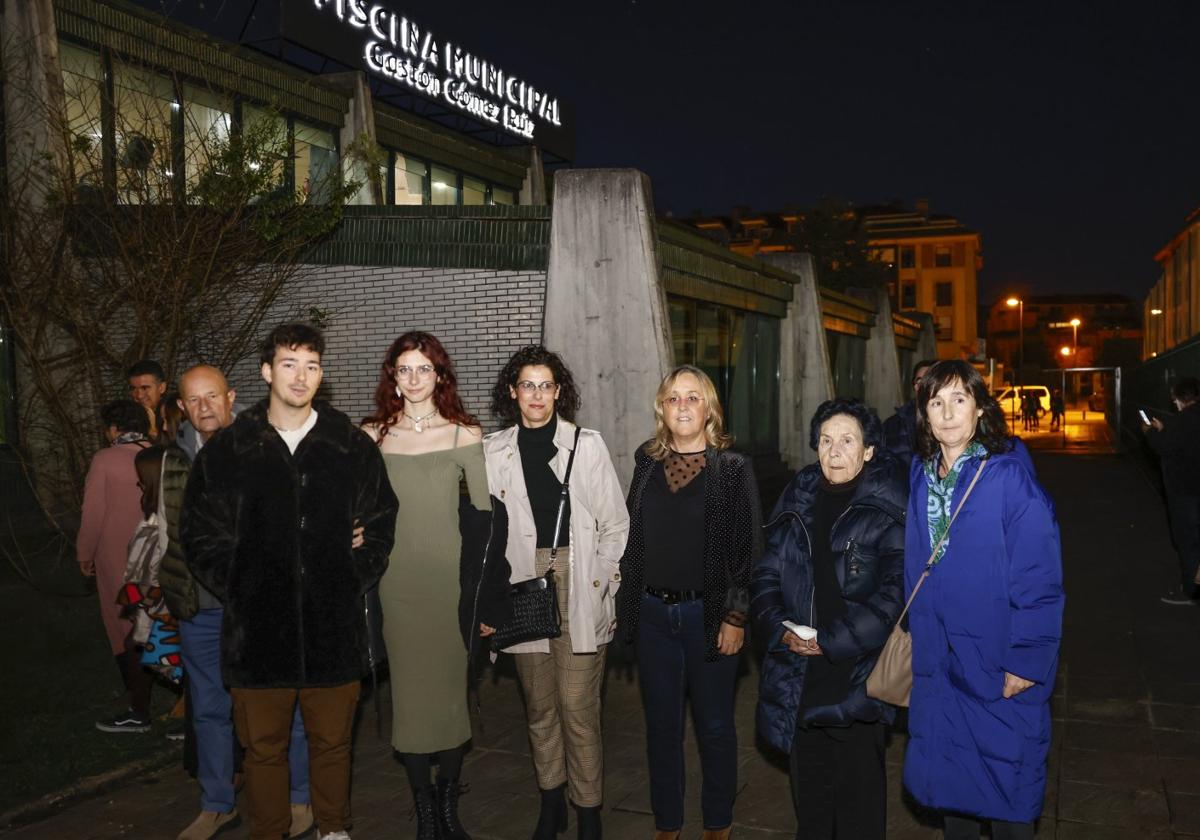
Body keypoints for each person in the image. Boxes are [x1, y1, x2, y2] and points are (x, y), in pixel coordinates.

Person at [182, 323, 398, 840]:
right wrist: (243, 581)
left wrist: (349, 574)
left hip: (332, 629)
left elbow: (382, 522)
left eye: (312, 366)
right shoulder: (229, 449)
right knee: (263, 750)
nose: (301, 377)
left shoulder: (349, 444)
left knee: (332, 744)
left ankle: (334, 829)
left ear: (321, 374)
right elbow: (199, 534)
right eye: (289, 364)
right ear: (265, 371)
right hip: (257, 633)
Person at [904, 360, 1063, 839]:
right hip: (939, 667)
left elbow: (1040, 580)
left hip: (997, 667)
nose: (948, 413)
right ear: (924, 415)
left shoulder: (1009, 479)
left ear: (979, 410)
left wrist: (1028, 662)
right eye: (936, 402)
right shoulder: (921, 475)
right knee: (954, 800)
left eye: (959, 400)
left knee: (1009, 799)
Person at [362, 332, 512, 840]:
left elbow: (487, 524)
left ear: (439, 376)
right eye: (404, 369)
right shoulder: (373, 436)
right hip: (396, 587)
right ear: (393, 379)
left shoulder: (464, 435)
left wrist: (488, 599)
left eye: (423, 368)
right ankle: (424, 811)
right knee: (409, 702)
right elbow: (354, 506)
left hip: (451, 587)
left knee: (450, 700)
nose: (414, 378)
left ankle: (449, 805)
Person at [160, 364, 316, 840]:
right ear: (182, 407)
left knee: (279, 705)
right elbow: (168, 529)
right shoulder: (171, 460)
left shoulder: (263, 449)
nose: (204, 407)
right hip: (200, 606)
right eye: (194, 400)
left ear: (230, 398)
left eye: (212, 397)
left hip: (258, 606)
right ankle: (217, 804)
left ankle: (299, 797)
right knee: (207, 708)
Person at [483, 345, 629, 840]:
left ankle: (587, 809)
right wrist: (490, 598)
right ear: (513, 392)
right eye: (528, 385)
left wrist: (602, 580)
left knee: (577, 707)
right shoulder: (494, 450)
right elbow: (487, 532)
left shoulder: (586, 445)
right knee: (540, 706)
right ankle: (551, 802)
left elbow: (615, 524)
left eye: (546, 385)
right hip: (522, 581)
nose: (537, 394)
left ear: (559, 392)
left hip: (578, 578)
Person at [618, 365, 762, 840]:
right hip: (654, 615)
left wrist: (736, 616)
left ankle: (717, 823)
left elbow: (748, 550)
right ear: (662, 407)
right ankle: (667, 823)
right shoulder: (645, 462)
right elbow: (633, 539)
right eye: (674, 397)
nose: (683, 406)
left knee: (716, 727)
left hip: (710, 616)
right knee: (661, 729)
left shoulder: (732, 468)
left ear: (709, 409)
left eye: (693, 398)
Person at [751, 398, 906, 840]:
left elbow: (895, 596)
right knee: (812, 807)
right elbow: (766, 571)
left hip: (857, 674)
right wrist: (777, 626)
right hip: (799, 674)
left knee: (859, 809)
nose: (834, 451)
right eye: (825, 440)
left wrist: (832, 641)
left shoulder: (888, 503)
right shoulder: (798, 494)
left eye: (847, 440)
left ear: (869, 450)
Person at [78, 399, 156, 733]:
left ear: (113, 427)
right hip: (153, 551)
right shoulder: (158, 453)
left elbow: (93, 513)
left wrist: (84, 553)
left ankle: (137, 705)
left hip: (114, 555)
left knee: (122, 626)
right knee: (152, 622)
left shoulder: (105, 459)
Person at [1142, 377, 1200, 605]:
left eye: (1175, 398)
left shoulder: (1182, 421)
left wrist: (1150, 432)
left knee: (1187, 540)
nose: (1174, 403)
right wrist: (1165, 429)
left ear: (1182, 397)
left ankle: (1191, 591)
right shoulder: (1186, 421)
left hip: (1185, 491)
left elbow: (1164, 447)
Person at [882, 358, 937, 466]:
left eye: (930, 380)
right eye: (920, 381)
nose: (925, 386)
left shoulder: (949, 424)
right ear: (915, 386)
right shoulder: (891, 425)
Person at [128, 359, 168, 438]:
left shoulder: (175, 415)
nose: (139, 395)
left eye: (145, 388)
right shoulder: (128, 418)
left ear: (161, 387)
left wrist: (153, 432)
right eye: (133, 389)